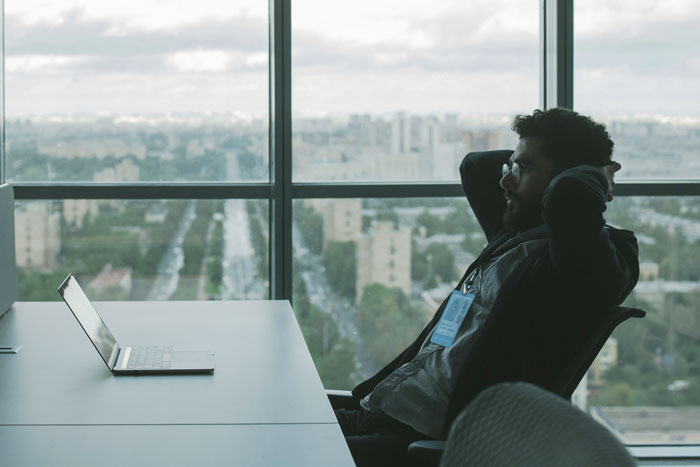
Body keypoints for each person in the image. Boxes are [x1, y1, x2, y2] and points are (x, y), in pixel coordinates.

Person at [334, 108, 640, 467]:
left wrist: (592, 174)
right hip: (380, 412)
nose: (506, 181)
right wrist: (525, 165)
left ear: (564, 183)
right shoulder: (512, 235)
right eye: (512, 168)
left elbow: (569, 197)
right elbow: (475, 166)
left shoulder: (581, 267)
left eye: (523, 170)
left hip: (416, 443)